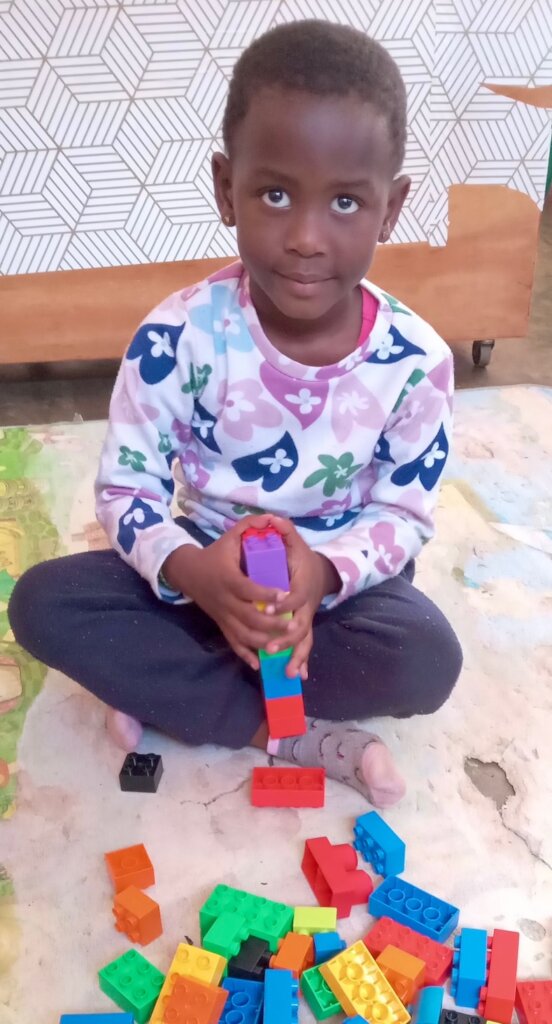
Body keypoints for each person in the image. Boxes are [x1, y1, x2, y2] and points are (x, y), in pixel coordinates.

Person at [9, 20, 463, 808]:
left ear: (391, 208)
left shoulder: (416, 361)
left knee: (426, 658)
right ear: (227, 189)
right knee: (42, 605)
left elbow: (402, 514)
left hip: (334, 589)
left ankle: (170, 689)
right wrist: (196, 575)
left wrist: (321, 578)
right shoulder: (178, 337)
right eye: (276, 194)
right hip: (199, 573)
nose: (306, 238)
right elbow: (128, 491)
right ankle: (284, 731)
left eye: (346, 202)